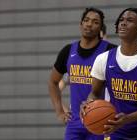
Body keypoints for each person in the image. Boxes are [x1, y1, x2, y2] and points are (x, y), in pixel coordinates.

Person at [81, 7, 137, 139]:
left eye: (130, 20)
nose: (123, 23)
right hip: (113, 131)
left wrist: (127, 118)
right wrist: (89, 105)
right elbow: (95, 93)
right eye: (121, 20)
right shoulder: (103, 59)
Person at [48, 7, 117, 140]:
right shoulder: (68, 51)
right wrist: (59, 111)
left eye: (95, 22)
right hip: (75, 123)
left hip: (103, 121)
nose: (89, 24)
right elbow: (53, 82)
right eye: (86, 20)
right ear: (81, 24)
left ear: (100, 29)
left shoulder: (111, 51)